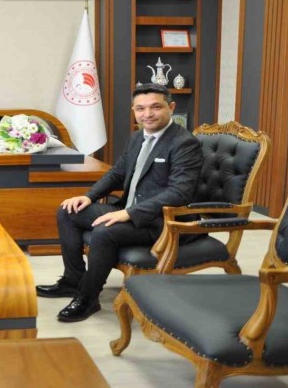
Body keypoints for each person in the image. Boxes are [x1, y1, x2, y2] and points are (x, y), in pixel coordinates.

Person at [35, 83, 203, 322]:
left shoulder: (184, 143)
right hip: (129, 208)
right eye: (140, 109)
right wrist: (88, 196)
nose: (147, 114)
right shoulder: (137, 138)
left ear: (171, 107)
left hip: (162, 221)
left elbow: (179, 193)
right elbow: (117, 173)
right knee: (68, 211)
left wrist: (129, 213)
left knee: (105, 231)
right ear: (134, 111)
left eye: (156, 107)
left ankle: (88, 298)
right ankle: (72, 281)